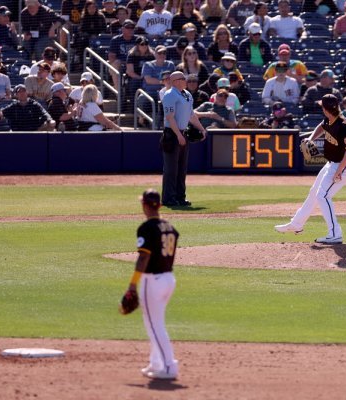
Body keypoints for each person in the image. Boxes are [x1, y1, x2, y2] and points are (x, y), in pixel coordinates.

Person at [275, 94, 346, 244]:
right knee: (315, 192)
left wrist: (339, 170)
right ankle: (296, 224)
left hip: (343, 166)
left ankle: (335, 233)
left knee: (323, 196)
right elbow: (322, 126)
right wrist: (311, 138)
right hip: (332, 164)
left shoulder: (343, 126)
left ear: (326, 109)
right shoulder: (330, 118)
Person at [127, 188, 180, 380]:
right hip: (168, 279)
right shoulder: (170, 227)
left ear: (144, 205)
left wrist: (132, 284)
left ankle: (169, 366)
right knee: (156, 322)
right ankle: (156, 363)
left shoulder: (146, 228)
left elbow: (143, 259)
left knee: (154, 325)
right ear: (159, 205)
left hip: (153, 281)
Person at [161, 71, 207, 206]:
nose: (185, 80)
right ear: (175, 81)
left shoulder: (187, 94)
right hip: (172, 133)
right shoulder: (169, 95)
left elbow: (191, 115)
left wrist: (201, 128)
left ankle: (180, 196)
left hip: (183, 132)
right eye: (182, 78)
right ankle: (168, 198)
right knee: (171, 168)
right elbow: (170, 117)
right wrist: (178, 135)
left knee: (182, 167)